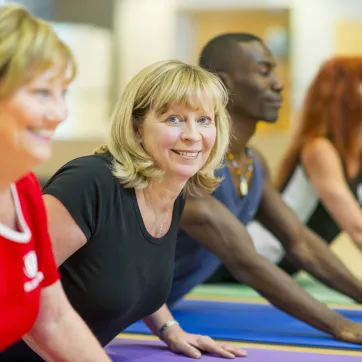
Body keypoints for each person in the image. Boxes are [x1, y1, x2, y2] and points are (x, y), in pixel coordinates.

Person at [1, 60, 246, 360]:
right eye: (174, 119)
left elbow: (134, 271)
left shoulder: (172, 190)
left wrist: (170, 328)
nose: (192, 135)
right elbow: (19, 294)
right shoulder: (90, 184)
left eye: (204, 120)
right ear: (136, 127)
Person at [166, 33, 362, 343]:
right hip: (100, 310)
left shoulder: (253, 162)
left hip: (162, 308)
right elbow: (245, 261)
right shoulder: (190, 162)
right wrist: (340, 325)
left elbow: (300, 242)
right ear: (224, 83)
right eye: (263, 71)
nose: (278, 83)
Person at [0, 4, 113, 361]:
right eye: (41, 92)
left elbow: (54, 318)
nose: (60, 113)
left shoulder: (24, 188)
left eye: (63, 93)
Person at [243, 56, 362, 276]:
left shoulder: (357, 156)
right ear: (343, 95)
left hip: (287, 268)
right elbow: (357, 229)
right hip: (252, 258)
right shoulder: (319, 149)